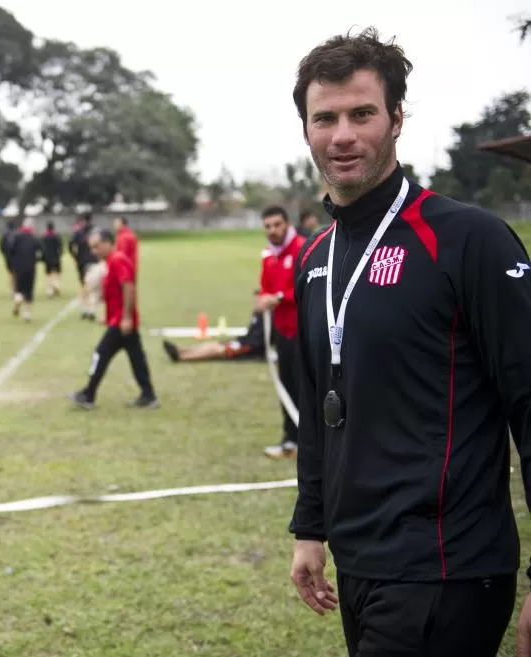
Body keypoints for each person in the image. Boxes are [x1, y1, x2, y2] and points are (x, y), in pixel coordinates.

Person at [286, 27, 531, 657]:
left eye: (362, 113)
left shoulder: (468, 239)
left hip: (447, 568)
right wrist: (309, 528)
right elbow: (319, 409)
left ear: (396, 119)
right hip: (358, 561)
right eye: (326, 118)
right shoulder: (314, 257)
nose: (342, 135)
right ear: (307, 129)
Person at [68, 229, 158, 410]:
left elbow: (128, 287)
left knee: (100, 354)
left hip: (122, 322)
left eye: (96, 246)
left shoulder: (117, 260)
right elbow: (115, 293)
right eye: (91, 247)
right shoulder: (110, 262)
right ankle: (148, 395)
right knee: (136, 358)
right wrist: (108, 317)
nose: (94, 251)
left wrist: (125, 317)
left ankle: (88, 395)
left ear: (108, 243)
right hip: (119, 320)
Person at [253, 205, 306, 460]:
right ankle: (290, 440)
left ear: (287, 224)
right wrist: (262, 299)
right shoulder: (268, 256)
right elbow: (264, 288)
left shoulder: (302, 248)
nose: (273, 230)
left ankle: (310, 441)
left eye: (277, 224)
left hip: (305, 332)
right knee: (286, 385)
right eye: (268, 226)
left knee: (306, 388)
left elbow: (306, 287)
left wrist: (278, 297)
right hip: (282, 332)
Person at [163, 309, 266, 363]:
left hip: (249, 348)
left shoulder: (267, 318)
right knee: (213, 344)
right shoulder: (257, 314)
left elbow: (259, 341)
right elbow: (250, 334)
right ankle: (181, 351)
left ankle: (183, 357)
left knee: (217, 350)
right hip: (242, 343)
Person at [8, 217, 43, 321]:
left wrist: (13, 263)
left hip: (19, 267)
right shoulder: (34, 238)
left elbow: (10, 250)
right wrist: (38, 259)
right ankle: (27, 313)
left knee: (19, 288)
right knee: (29, 290)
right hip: (30, 267)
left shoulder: (17, 237)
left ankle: (18, 300)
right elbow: (42, 250)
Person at [69, 212, 100, 320]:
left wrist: (75, 256)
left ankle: (84, 309)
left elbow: (70, 244)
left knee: (83, 285)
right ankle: (92, 309)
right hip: (94, 260)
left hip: (82, 262)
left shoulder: (78, 232)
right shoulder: (96, 231)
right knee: (94, 286)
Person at [41, 220, 63, 297]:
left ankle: (49, 291)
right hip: (56, 257)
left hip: (47, 258)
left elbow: (42, 248)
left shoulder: (44, 237)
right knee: (56, 273)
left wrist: (42, 258)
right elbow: (60, 247)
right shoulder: (56, 236)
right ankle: (56, 284)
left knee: (48, 274)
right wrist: (59, 255)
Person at [0, 219, 17, 293]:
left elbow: (1, 247)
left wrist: (5, 254)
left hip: (8, 257)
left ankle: (11, 289)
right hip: (17, 257)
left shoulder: (4, 235)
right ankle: (16, 287)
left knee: (10, 273)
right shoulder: (17, 234)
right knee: (16, 273)